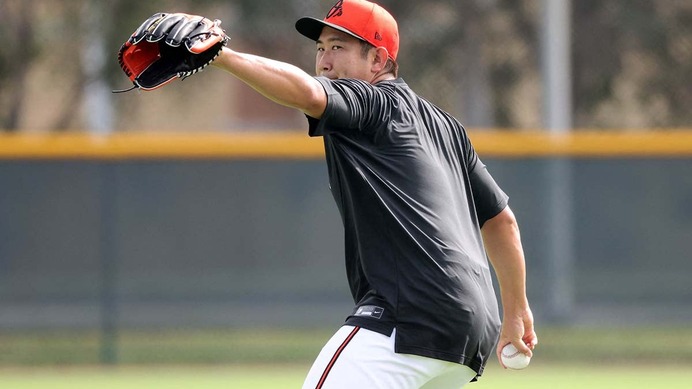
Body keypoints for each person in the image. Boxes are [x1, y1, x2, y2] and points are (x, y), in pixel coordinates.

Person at [211, 0, 537, 387]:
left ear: (378, 60)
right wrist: (516, 309)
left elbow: (309, 94)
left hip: (408, 319)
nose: (324, 60)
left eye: (339, 47)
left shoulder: (372, 102)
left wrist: (220, 54)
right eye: (320, 48)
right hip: (469, 335)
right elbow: (502, 220)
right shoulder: (447, 128)